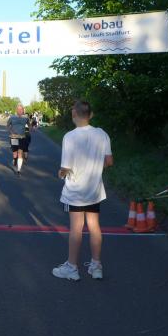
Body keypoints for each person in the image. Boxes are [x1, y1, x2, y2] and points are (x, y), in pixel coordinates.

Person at [53, 100, 113, 281]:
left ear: (74, 114)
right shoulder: (102, 134)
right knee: (94, 226)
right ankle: (96, 266)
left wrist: (61, 174)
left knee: (76, 229)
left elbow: (65, 167)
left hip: (75, 191)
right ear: (91, 115)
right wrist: (94, 168)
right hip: (94, 189)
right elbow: (109, 161)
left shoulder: (70, 137)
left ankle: (72, 268)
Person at [6, 104, 30, 176]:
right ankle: (15, 159)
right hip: (14, 137)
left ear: (23, 110)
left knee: (20, 153)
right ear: (16, 110)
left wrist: (28, 131)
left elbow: (29, 125)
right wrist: (11, 132)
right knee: (14, 153)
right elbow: (7, 125)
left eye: (21, 109)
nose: (19, 111)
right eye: (18, 109)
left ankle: (18, 170)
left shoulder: (26, 118)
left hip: (22, 137)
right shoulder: (12, 117)